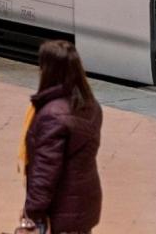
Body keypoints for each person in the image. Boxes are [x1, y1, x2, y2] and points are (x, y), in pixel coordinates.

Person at [20, 40, 103, 234]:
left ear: (48, 71)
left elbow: (46, 170)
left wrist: (32, 211)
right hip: (84, 203)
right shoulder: (90, 105)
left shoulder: (52, 115)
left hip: (61, 210)